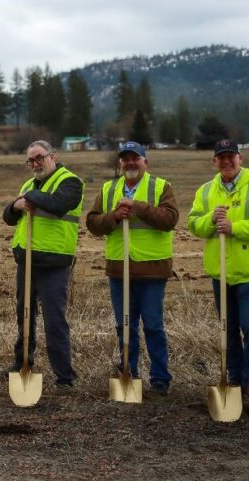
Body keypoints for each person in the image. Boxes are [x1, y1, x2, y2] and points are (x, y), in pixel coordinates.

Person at [187, 139, 249, 402]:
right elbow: (193, 224)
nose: (226, 162)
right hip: (221, 272)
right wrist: (211, 220)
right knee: (228, 328)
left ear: (241, 159)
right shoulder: (206, 191)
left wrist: (234, 228)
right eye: (221, 158)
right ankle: (234, 379)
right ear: (214, 162)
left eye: (231, 157)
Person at [86, 141, 178, 396]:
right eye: (125, 158)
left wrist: (138, 207)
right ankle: (129, 371)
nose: (130, 162)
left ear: (145, 162)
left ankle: (160, 378)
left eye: (135, 158)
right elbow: (92, 223)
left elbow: (170, 220)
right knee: (124, 325)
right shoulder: (108, 189)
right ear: (120, 163)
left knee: (153, 325)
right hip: (119, 269)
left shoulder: (160, 186)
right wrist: (114, 216)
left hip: (152, 269)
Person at [1, 140, 82, 389]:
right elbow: (8, 217)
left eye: (39, 158)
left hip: (53, 262)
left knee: (54, 320)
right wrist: (16, 205)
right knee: (23, 315)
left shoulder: (70, 182)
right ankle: (22, 363)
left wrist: (28, 197)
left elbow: (57, 205)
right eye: (31, 160)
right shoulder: (29, 184)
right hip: (27, 260)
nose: (35, 164)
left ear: (52, 156)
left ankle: (64, 376)